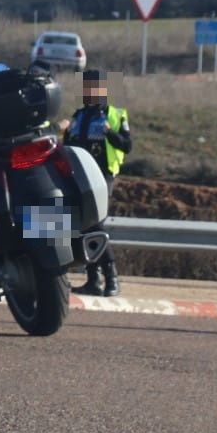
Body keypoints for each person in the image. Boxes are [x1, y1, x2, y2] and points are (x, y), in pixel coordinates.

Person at [62, 68, 132, 296]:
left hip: (102, 176)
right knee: (84, 225)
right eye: (85, 87)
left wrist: (110, 133)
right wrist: (64, 132)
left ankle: (112, 278)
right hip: (78, 177)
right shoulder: (78, 115)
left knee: (94, 224)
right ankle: (93, 280)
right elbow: (69, 146)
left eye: (94, 87)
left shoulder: (115, 114)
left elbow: (126, 145)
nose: (89, 92)